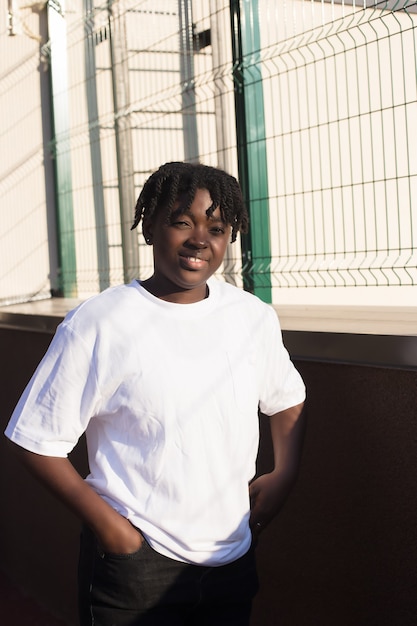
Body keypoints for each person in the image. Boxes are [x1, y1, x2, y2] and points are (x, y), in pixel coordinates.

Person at [5, 161, 306, 626]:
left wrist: (284, 473)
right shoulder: (101, 322)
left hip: (232, 556)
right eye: (182, 221)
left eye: (217, 227)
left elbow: (286, 397)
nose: (199, 239)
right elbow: (35, 441)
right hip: (134, 569)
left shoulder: (251, 317)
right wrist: (115, 534)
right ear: (149, 226)